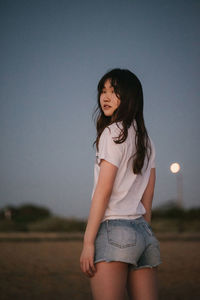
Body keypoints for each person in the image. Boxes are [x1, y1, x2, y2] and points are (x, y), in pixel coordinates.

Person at [80, 68, 162, 300]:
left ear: (129, 97)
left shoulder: (113, 133)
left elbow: (103, 192)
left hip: (114, 230)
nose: (105, 97)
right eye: (103, 91)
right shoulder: (146, 140)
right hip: (143, 232)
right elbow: (149, 195)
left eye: (114, 92)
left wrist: (88, 242)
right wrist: (141, 231)